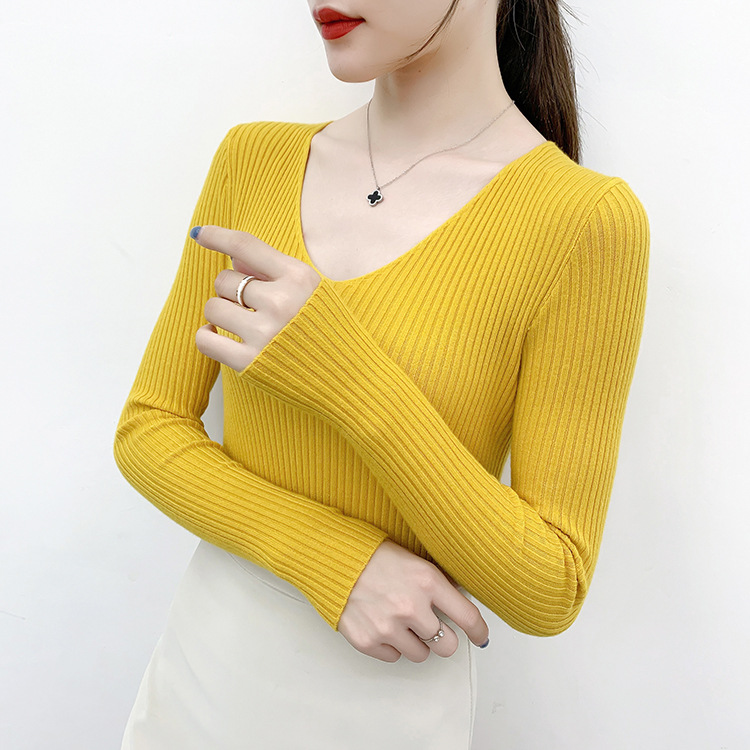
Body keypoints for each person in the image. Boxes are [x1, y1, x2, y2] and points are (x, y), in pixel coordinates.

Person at [113, 0, 649, 747]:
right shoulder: (253, 159)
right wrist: (334, 558)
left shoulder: (582, 220)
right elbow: (148, 427)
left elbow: (549, 585)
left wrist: (345, 374)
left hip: (387, 703)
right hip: (206, 669)